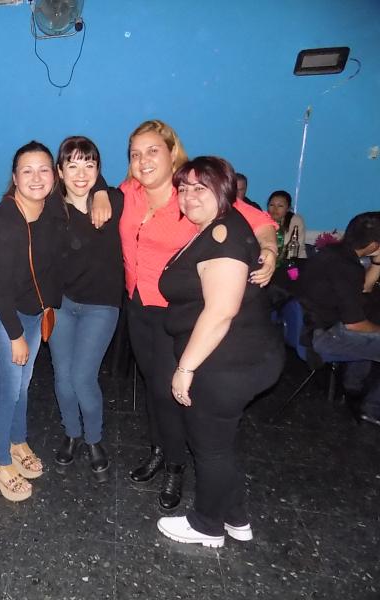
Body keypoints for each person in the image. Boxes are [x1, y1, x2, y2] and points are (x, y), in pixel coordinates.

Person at [121, 120, 278, 511]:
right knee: (152, 388)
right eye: (135, 154)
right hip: (137, 304)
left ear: (172, 152)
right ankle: (159, 450)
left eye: (152, 151)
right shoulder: (130, 192)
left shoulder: (192, 193)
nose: (143, 160)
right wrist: (99, 200)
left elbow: (256, 220)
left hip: (176, 314)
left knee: (169, 391)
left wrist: (269, 249)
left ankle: (176, 466)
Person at [156, 156, 284, 547]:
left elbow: (221, 311)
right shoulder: (217, 228)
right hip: (239, 356)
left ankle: (207, 525)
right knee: (220, 443)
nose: (189, 196)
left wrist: (185, 369)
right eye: (184, 189)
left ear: (224, 190)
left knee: (209, 446)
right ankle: (235, 516)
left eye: (201, 188)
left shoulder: (222, 235)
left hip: (226, 361)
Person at [0, 141, 63, 502]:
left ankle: (17, 441)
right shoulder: (3, 219)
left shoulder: (52, 209)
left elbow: (91, 182)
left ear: (54, 175)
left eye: (44, 169)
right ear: (14, 177)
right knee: (10, 387)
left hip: (32, 311)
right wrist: (15, 336)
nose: (36, 177)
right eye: (27, 170)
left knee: (22, 385)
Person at [48, 136, 123, 482]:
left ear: (99, 170)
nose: (81, 174)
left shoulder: (115, 202)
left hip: (101, 306)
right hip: (62, 304)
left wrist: (103, 190)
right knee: (63, 378)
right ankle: (72, 433)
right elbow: (15, 203)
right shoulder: (50, 208)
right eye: (73, 165)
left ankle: (93, 438)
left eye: (89, 165)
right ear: (60, 171)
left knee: (82, 377)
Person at [297, 212, 380, 425]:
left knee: (370, 326)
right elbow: (355, 324)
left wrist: (378, 262)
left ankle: (352, 387)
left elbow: (363, 288)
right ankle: (373, 409)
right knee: (369, 327)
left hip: (312, 326)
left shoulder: (332, 253)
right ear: (373, 245)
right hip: (322, 337)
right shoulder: (347, 266)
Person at [267, 190, 307, 259]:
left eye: (280, 206)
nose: (275, 209)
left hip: (293, 260)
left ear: (288, 208)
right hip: (269, 260)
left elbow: (295, 246)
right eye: (272, 205)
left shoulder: (296, 220)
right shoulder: (263, 219)